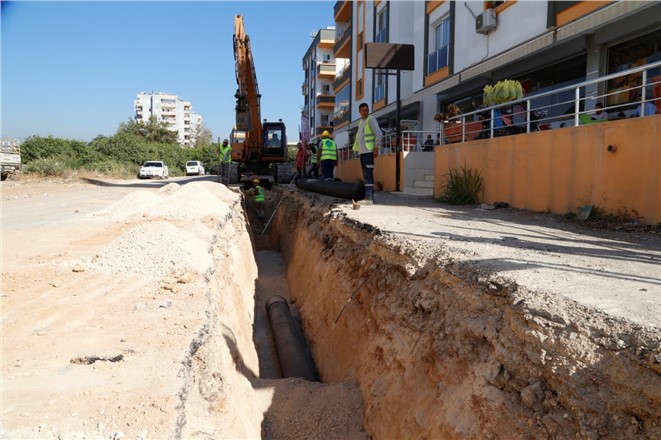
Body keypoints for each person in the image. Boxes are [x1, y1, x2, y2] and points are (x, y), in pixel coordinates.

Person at [353, 102, 382, 204]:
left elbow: (378, 134)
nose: (364, 112)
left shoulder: (371, 119)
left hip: (369, 151)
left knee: (368, 174)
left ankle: (369, 198)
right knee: (366, 175)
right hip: (363, 153)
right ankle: (367, 196)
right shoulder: (361, 122)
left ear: (368, 110)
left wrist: (376, 147)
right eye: (362, 110)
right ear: (359, 112)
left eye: (366, 110)